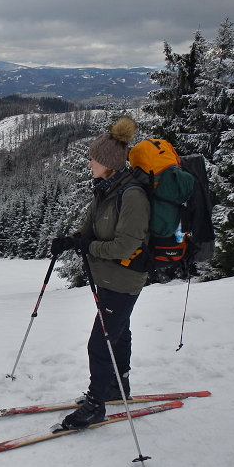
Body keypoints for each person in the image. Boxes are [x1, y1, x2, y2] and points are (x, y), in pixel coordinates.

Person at [50, 116, 150, 430]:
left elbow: (124, 246)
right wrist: (72, 240)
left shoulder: (131, 196)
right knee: (117, 334)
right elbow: (90, 228)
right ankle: (115, 387)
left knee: (101, 342)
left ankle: (96, 405)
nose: (89, 164)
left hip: (124, 279)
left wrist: (90, 248)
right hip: (109, 278)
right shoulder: (105, 189)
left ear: (108, 163)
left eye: (94, 159)